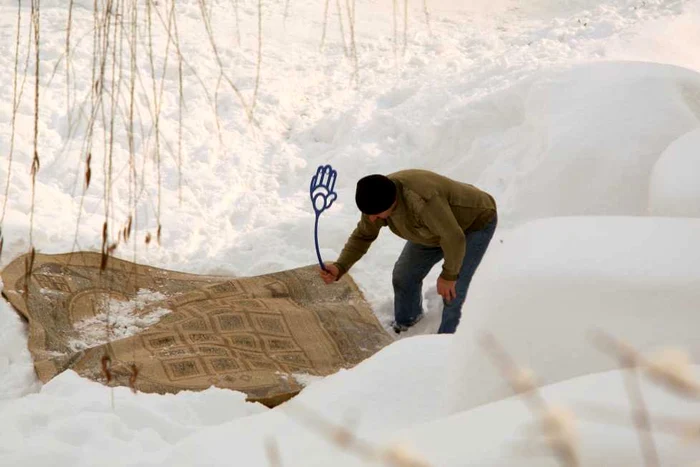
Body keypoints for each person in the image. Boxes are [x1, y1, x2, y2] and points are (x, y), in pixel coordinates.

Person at [319, 169, 497, 334]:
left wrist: (449, 275)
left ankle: (446, 344)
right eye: (369, 213)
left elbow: (454, 238)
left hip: (473, 223)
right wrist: (340, 266)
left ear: (393, 202)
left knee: (454, 290)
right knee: (404, 275)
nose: (372, 218)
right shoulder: (374, 199)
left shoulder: (421, 201)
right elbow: (363, 236)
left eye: (376, 214)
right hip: (430, 231)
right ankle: (408, 324)